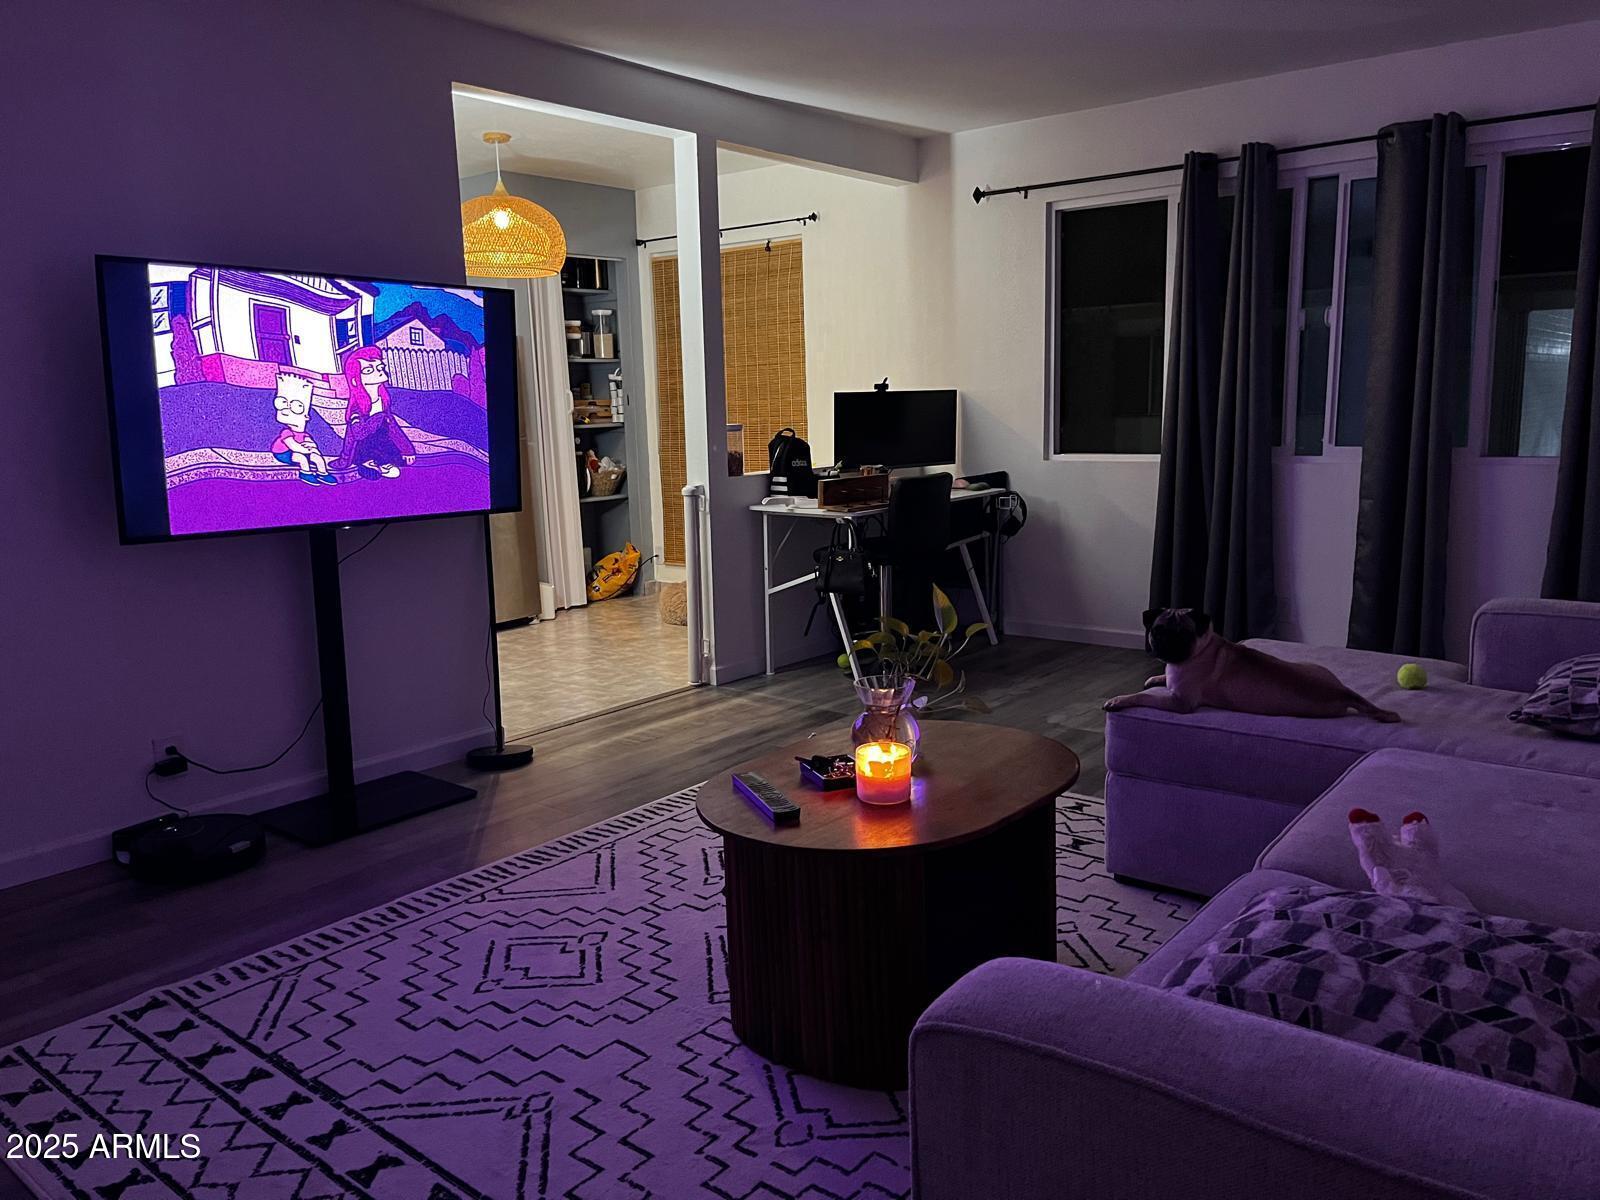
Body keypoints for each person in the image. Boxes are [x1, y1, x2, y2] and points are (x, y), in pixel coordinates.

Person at [335, 346, 415, 479]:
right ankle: (368, 463)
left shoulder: (382, 401)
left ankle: (382, 462)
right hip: (363, 447)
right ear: (355, 379)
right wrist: (378, 417)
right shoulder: (357, 408)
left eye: (379, 367)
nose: (378, 371)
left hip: (382, 445)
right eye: (368, 370)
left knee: (397, 464)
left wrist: (407, 449)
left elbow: (393, 427)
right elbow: (359, 434)